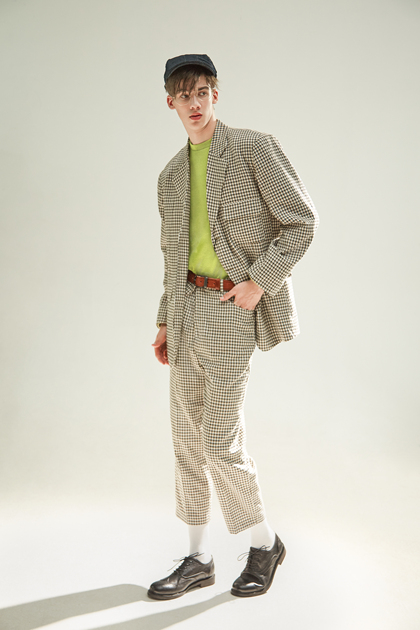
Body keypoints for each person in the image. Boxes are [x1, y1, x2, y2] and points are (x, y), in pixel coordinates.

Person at [148, 54, 319, 600]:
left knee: (220, 439)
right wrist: (164, 320)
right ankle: (198, 558)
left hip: (230, 308)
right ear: (170, 103)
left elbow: (302, 222)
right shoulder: (170, 176)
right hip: (186, 311)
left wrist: (258, 283)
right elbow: (172, 258)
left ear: (215, 94)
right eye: (184, 96)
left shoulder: (252, 148)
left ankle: (264, 544)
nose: (194, 104)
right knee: (185, 439)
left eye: (202, 92)